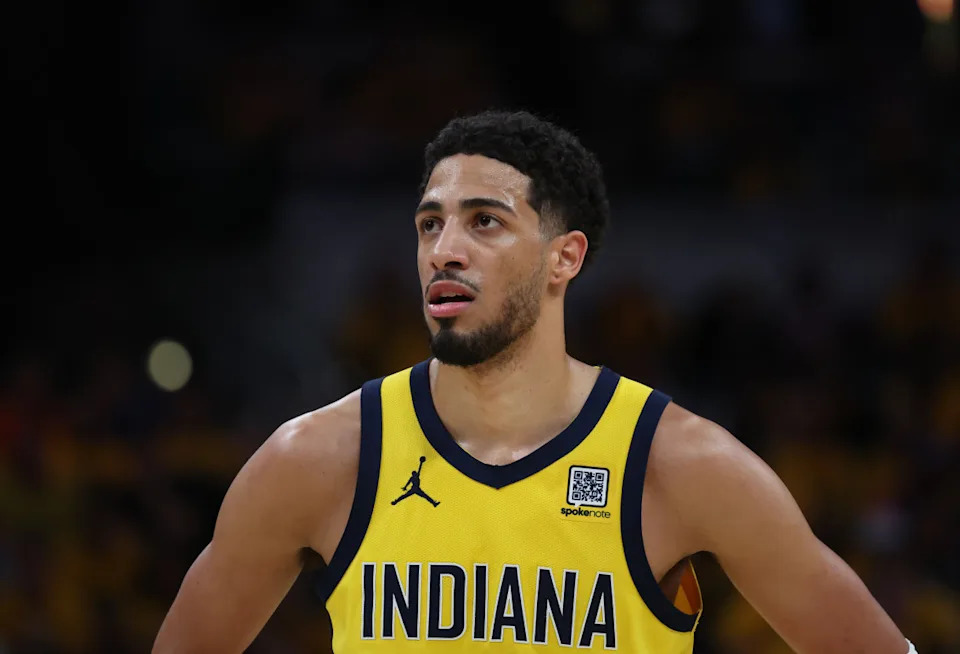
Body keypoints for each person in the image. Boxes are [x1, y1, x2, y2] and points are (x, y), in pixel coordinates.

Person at [153, 111, 916, 653]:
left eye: (484, 221)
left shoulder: (681, 467)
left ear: (565, 259)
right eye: (430, 223)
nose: (444, 249)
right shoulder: (318, 460)